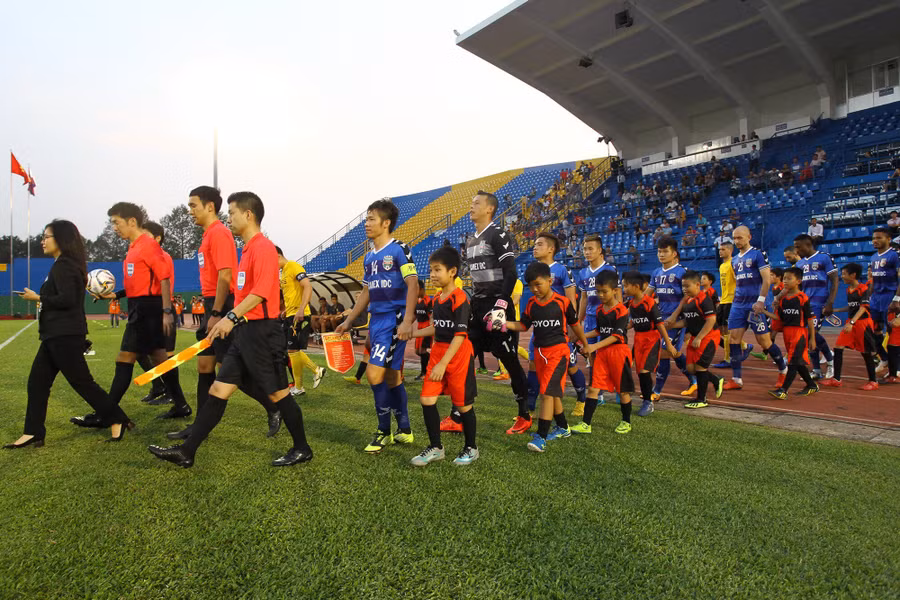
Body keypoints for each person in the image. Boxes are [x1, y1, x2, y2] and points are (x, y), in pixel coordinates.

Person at [149, 191, 313, 468]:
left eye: (233, 213)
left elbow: (261, 292)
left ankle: (302, 448)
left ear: (248, 215)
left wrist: (230, 318)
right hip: (246, 333)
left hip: (264, 333)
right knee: (218, 389)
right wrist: (229, 322)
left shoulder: (262, 247)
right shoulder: (247, 249)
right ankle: (187, 452)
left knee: (279, 394)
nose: (229, 218)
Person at [167, 186, 280, 441]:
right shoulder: (208, 235)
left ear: (209, 207)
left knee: (229, 367)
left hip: (222, 305)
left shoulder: (219, 234)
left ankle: (274, 405)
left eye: (193, 205)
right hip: (213, 304)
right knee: (206, 364)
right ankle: (198, 426)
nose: (190, 211)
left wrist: (218, 312)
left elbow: (225, 275)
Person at [6, 220, 132, 448]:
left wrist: (38, 298)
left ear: (61, 239)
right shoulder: (62, 265)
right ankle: (33, 432)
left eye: (46, 236)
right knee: (37, 383)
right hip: (54, 335)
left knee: (82, 383)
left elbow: (68, 300)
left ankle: (118, 419)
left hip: (64, 335)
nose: (42, 241)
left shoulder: (65, 265)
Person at [71, 202, 190, 427]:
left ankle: (106, 414)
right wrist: (115, 296)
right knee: (160, 359)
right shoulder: (134, 247)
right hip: (140, 307)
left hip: (149, 310)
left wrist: (166, 311)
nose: (114, 227)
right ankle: (181, 404)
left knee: (125, 359)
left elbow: (164, 278)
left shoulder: (148, 245)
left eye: (116, 222)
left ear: (132, 221)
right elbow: (138, 284)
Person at [336, 199, 418, 453]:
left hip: (394, 320)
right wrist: (350, 320)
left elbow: (413, 283)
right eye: (366, 219)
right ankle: (405, 430)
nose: (366, 223)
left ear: (386, 223)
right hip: (376, 321)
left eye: (371, 219)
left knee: (374, 375)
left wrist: (406, 320)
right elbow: (367, 291)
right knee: (393, 377)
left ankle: (384, 432)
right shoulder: (369, 256)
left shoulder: (399, 249)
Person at [449, 191, 530, 434]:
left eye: (476, 203)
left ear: (489, 209)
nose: (471, 207)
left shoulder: (498, 234)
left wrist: (501, 306)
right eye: (471, 203)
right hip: (477, 307)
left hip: (498, 306)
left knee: (509, 360)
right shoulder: (471, 240)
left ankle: (524, 415)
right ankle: (457, 415)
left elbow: (511, 273)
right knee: (463, 357)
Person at [507, 262, 589, 451]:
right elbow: (523, 326)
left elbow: (575, 324)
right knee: (552, 393)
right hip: (540, 353)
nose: (535, 289)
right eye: (531, 286)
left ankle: (541, 437)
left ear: (550, 281)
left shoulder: (563, 302)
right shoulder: (531, 304)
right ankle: (562, 426)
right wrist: (504, 324)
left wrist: (585, 344)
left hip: (559, 353)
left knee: (546, 394)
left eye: (538, 284)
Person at [409, 247, 478, 466]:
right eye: (431, 270)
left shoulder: (460, 298)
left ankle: (471, 447)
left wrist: (442, 364)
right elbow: (436, 328)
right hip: (439, 351)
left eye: (437, 270)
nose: (432, 274)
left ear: (453, 272)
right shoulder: (437, 299)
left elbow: (459, 336)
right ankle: (436, 447)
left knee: (463, 405)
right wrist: (412, 333)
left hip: (457, 355)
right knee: (427, 399)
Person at [526, 232, 587, 416]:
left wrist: (572, 327)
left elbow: (571, 301)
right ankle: (529, 409)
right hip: (541, 328)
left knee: (571, 366)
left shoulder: (562, 270)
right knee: (533, 364)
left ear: (551, 249)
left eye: (539, 244)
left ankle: (581, 401)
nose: (534, 247)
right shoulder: (533, 269)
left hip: (560, 331)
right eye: (535, 244)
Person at [573, 270, 634, 434]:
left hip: (618, 353)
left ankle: (626, 421)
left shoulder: (621, 310)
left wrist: (593, 347)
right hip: (603, 352)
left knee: (622, 390)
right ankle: (586, 424)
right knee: (593, 388)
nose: (600, 294)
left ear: (615, 290)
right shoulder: (600, 310)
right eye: (598, 291)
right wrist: (580, 335)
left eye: (604, 291)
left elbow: (616, 336)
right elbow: (599, 331)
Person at [727, 226, 788, 389]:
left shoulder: (758, 254)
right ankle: (736, 378)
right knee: (733, 339)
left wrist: (761, 301)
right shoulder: (733, 260)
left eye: (740, 237)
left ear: (749, 237)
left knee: (764, 342)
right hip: (738, 304)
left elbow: (767, 280)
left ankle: (783, 369)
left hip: (755, 304)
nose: (737, 241)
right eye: (734, 238)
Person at [622, 271, 679, 417]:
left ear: (637, 286)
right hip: (639, 339)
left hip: (651, 339)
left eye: (626, 286)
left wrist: (668, 343)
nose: (624, 289)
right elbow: (633, 322)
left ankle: (648, 402)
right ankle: (645, 399)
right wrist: (621, 327)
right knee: (640, 372)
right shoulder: (631, 303)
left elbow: (659, 324)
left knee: (644, 372)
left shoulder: (649, 302)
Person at [647, 237, 697, 403]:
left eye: (665, 251)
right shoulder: (656, 272)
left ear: (674, 253)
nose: (661, 254)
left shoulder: (682, 272)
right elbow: (648, 294)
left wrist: (675, 316)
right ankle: (694, 380)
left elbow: (687, 297)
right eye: (659, 251)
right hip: (661, 319)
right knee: (673, 353)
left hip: (675, 320)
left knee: (664, 353)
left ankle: (657, 391)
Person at [665, 271, 725, 409]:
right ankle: (716, 379)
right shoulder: (688, 301)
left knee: (700, 368)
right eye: (683, 286)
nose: (684, 289)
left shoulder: (704, 299)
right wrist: (673, 325)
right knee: (691, 369)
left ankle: (701, 399)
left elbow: (711, 320)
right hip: (695, 336)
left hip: (707, 336)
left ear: (697, 285)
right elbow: (687, 321)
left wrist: (699, 337)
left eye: (687, 286)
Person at [574, 235, 619, 416]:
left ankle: (618, 388)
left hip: (607, 318)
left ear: (600, 250)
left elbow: (618, 295)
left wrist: (620, 316)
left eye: (591, 248)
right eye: (585, 249)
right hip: (590, 320)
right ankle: (597, 392)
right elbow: (583, 299)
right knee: (591, 356)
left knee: (610, 355)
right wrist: (577, 320)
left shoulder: (610, 270)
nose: (587, 252)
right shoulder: (583, 273)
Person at [276, 246, 326, 396]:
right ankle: (299, 387)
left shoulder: (292, 265)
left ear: (277, 255)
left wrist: (300, 309)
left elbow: (307, 286)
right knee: (292, 351)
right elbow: (292, 294)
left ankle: (316, 371)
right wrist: (287, 310)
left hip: (300, 314)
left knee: (292, 350)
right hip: (291, 314)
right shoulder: (284, 271)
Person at [820, 263, 879, 390]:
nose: (842, 276)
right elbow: (852, 306)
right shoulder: (849, 290)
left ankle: (873, 381)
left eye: (844, 274)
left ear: (853, 275)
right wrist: (836, 310)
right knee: (838, 347)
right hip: (851, 322)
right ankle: (836, 379)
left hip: (862, 323)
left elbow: (863, 308)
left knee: (866, 352)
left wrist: (852, 323)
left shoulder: (863, 289)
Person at [762, 267, 818, 399]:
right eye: (784, 278)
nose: (785, 281)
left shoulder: (802, 298)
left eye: (789, 278)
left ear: (798, 281)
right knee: (797, 362)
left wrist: (812, 338)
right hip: (787, 333)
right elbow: (779, 318)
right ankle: (811, 385)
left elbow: (810, 320)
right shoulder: (783, 300)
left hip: (799, 333)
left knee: (793, 362)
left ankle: (783, 390)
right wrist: (763, 311)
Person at [793, 234, 837, 379]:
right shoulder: (799, 264)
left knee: (811, 334)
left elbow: (835, 280)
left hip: (819, 302)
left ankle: (830, 361)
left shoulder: (824, 257)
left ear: (808, 245)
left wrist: (830, 302)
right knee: (808, 335)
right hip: (804, 303)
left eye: (798, 247)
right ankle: (817, 370)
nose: (796, 250)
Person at [713, 241, 756, 375]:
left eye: (723, 249)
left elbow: (739, 282)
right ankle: (744, 346)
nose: (720, 251)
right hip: (723, 300)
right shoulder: (721, 266)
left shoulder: (733, 264)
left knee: (728, 331)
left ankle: (727, 359)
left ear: (730, 251)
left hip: (732, 301)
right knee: (722, 330)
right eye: (720, 249)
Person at [869, 227, 900, 376]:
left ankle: (896, 367)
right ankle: (885, 358)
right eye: (874, 238)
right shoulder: (874, 257)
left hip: (889, 296)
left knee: (893, 331)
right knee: (873, 329)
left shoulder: (895, 255)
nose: (875, 240)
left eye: (879, 237)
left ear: (888, 239)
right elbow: (873, 279)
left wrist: (897, 299)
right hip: (876, 298)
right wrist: (868, 297)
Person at [413, 281, 433, 381]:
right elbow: (414, 315)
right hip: (419, 326)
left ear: (421, 289)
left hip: (426, 327)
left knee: (422, 350)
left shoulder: (428, 301)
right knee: (417, 351)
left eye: (416, 289)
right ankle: (432, 361)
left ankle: (424, 373)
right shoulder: (416, 301)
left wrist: (430, 330)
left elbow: (431, 317)